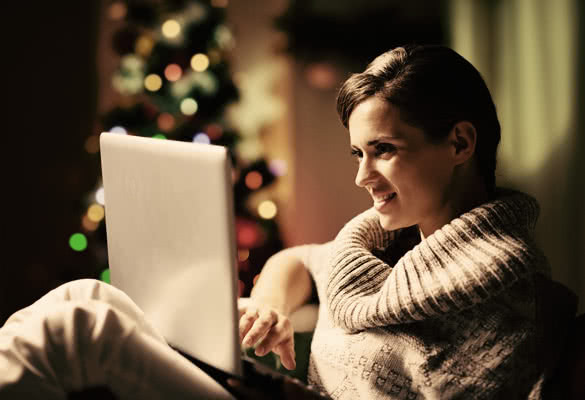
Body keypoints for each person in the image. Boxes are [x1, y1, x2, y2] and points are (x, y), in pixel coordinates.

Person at [0, 45, 578, 399]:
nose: (363, 177)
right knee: (87, 294)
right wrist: (270, 304)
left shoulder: (504, 292)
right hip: (273, 392)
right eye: (358, 154)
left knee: (76, 332)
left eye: (384, 149)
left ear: (459, 142)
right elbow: (298, 259)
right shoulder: (395, 247)